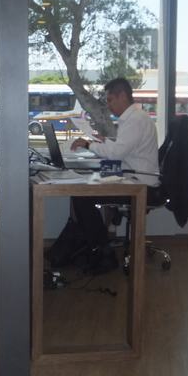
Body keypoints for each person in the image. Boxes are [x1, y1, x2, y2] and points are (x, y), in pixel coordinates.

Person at [68, 78, 160, 270]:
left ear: (122, 96)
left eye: (110, 100)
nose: (108, 105)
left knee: (82, 197)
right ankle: (98, 245)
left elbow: (117, 153)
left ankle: (104, 251)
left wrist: (88, 144)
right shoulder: (134, 117)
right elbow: (124, 148)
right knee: (85, 188)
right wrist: (103, 141)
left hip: (140, 183)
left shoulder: (135, 120)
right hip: (133, 174)